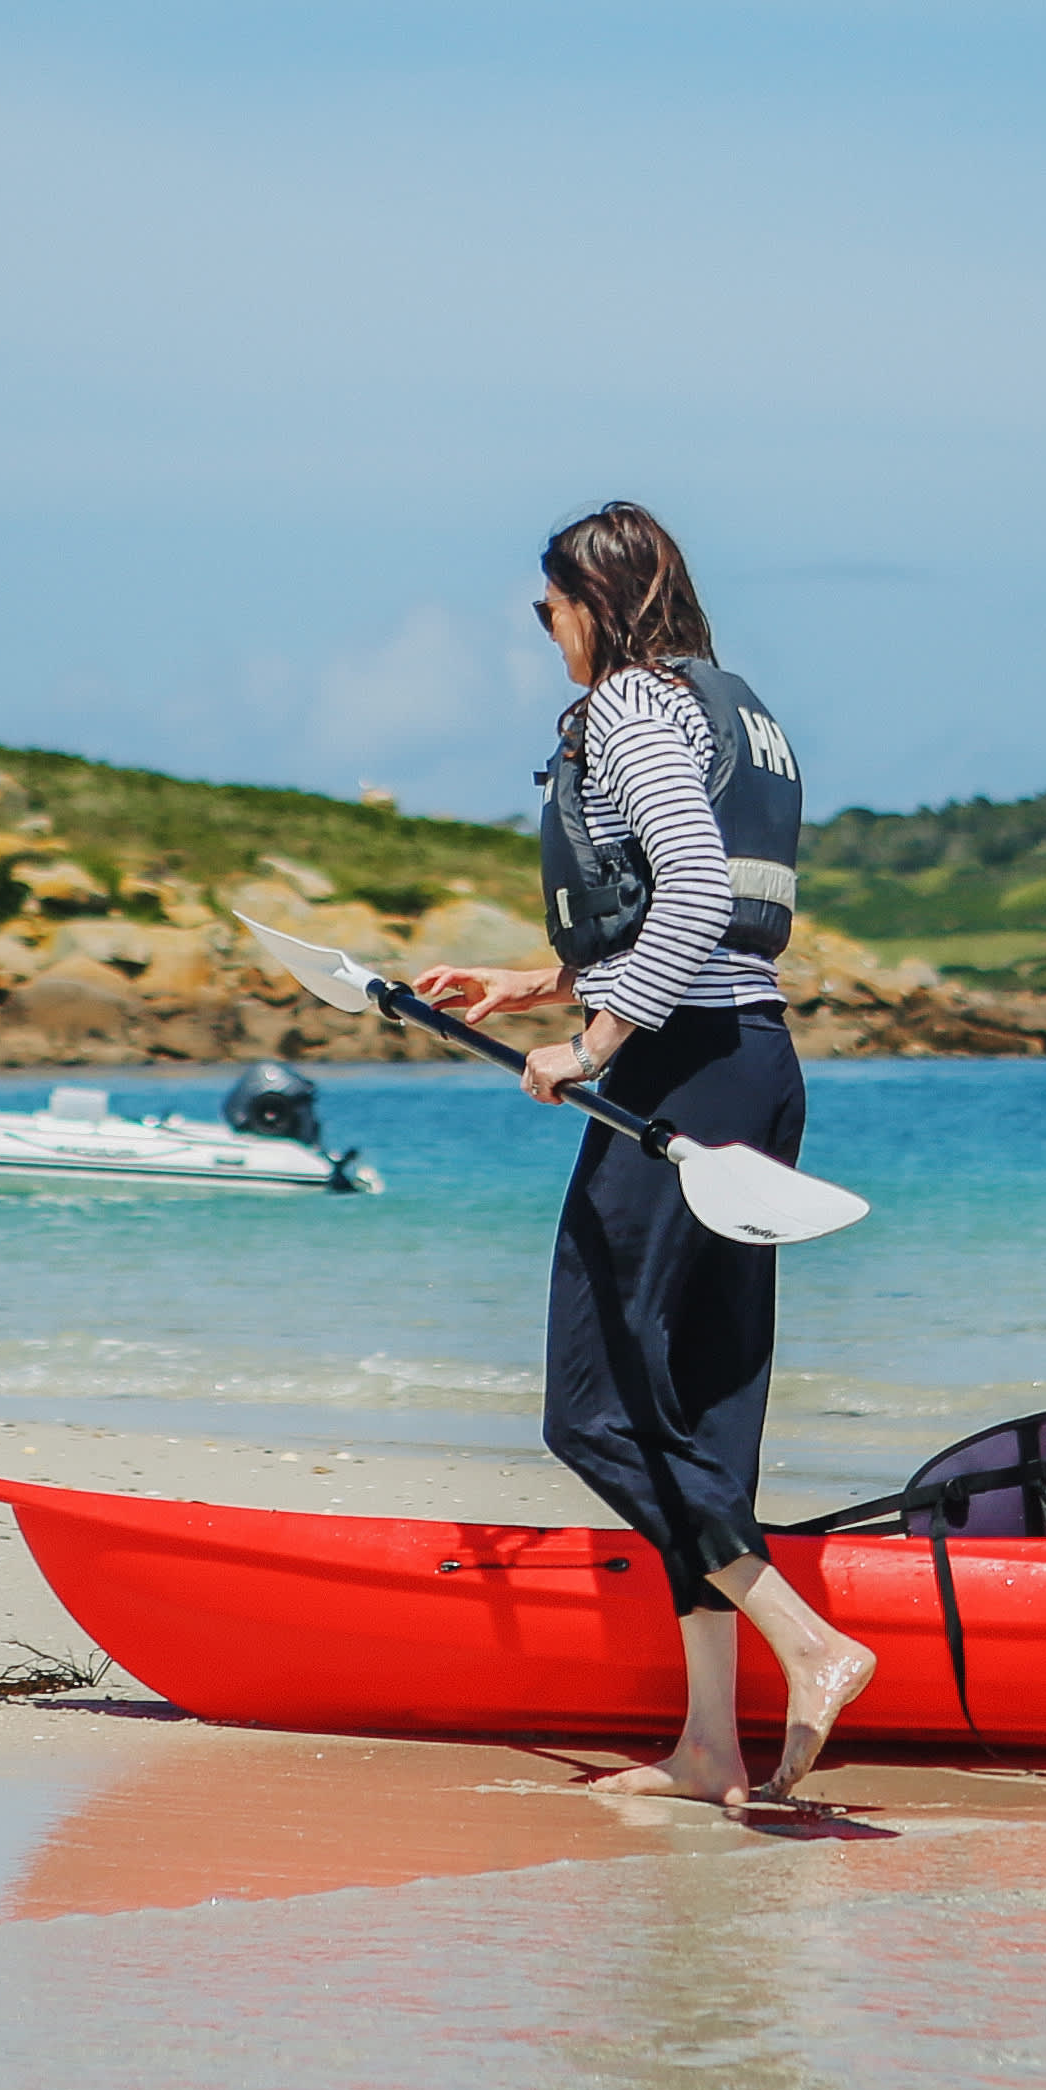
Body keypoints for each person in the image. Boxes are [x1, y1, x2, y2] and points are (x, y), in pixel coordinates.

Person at [413, 502, 878, 1804]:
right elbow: (691, 900)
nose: (543, 628)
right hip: (756, 1063)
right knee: (703, 1413)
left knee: (597, 1406)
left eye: (550, 605)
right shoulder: (724, 702)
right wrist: (541, 979)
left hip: (685, 1070)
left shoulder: (624, 706)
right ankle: (715, 1745)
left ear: (597, 601)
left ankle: (811, 1643)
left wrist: (597, 1039)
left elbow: (687, 891)